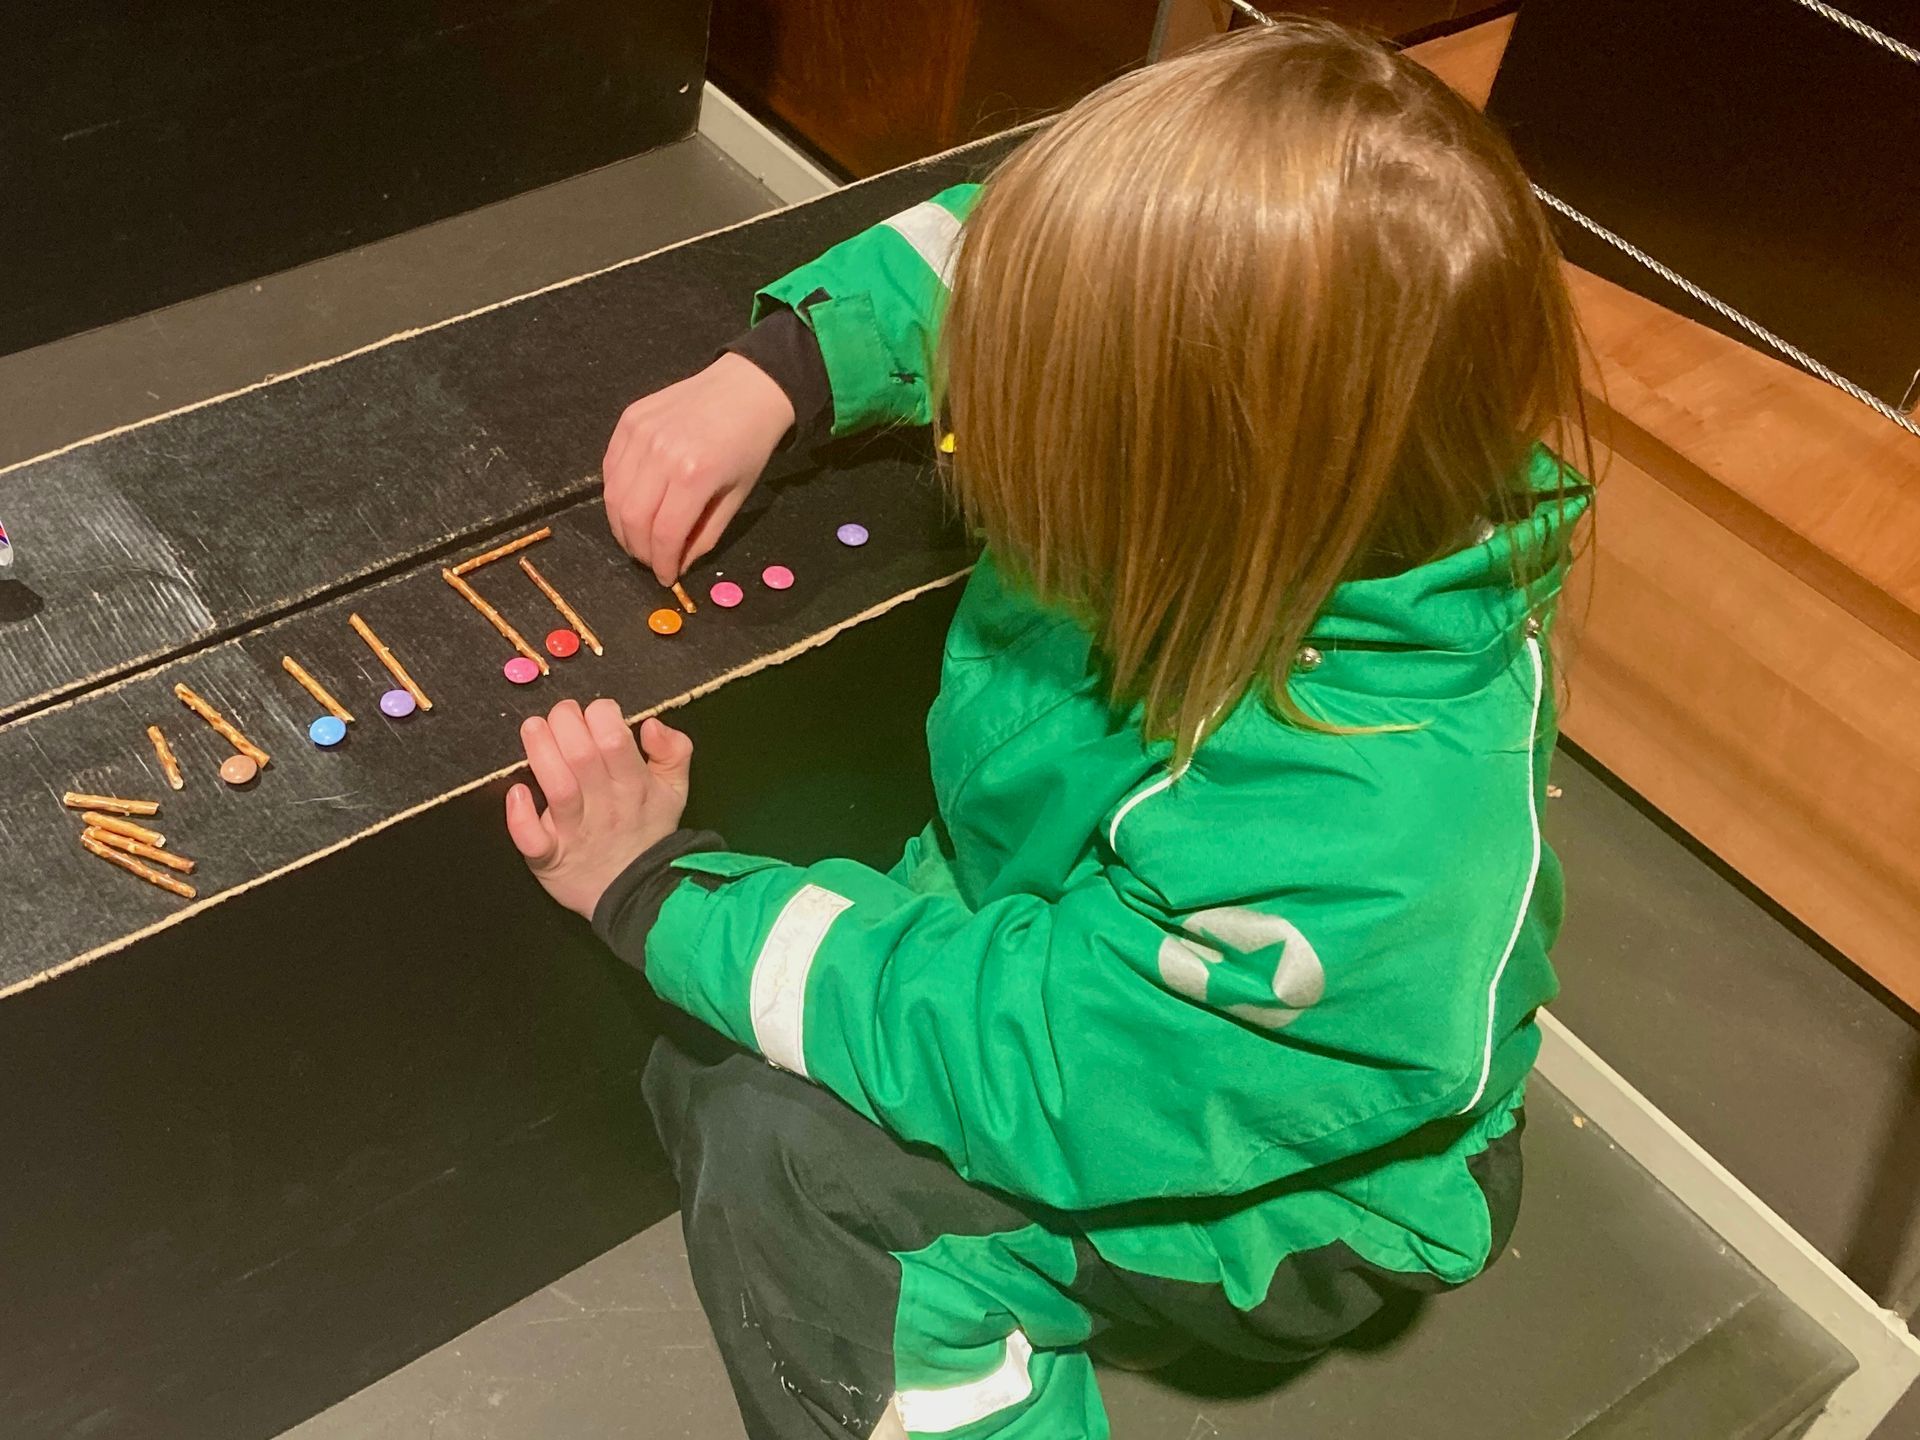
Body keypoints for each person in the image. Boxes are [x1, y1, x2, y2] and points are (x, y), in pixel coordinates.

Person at [506, 18, 1590, 1439]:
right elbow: (1003, 257)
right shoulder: (1260, 452)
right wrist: (785, 370)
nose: (990, 413)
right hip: (1082, 975)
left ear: (1191, 476)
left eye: (1044, 412)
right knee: (730, 1060)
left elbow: (1032, 1062)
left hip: (1297, 1193)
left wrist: (663, 896)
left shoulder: (1367, 833)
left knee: (791, 1166)